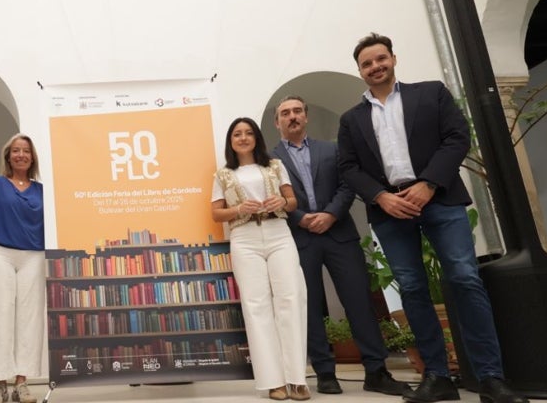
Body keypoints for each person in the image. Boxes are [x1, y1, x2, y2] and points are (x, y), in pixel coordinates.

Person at [337, 32, 528, 403]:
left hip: (439, 198)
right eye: (366, 63)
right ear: (360, 71)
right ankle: (437, 377)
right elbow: (348, 167)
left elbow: (457, 137)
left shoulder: (431, 93)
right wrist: (380, 197)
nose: (375, 67)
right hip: (390, 210)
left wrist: (428, 184)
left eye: (380, 59)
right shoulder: (351, 119)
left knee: (465, 278)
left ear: (393, 58)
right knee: (411, 289)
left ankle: (490, 378)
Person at [271, 95, 410, 396]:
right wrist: (301, 217)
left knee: (359, 301)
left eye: (297, 111)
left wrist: (331, 214)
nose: (292, 116)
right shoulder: (269, 162)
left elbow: (348, 184)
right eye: (285, 113)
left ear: (306, 116)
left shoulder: (331, 150)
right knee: (309, 307)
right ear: (277, 121)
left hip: (340, 235)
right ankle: (324, 372)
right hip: (298, 239)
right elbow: (274, 198)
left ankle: (376, 371)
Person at [210, 117, 309, 401]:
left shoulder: (275, 166)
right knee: (256, 307)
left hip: (278, 232)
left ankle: (297, 379)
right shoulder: (222, 175)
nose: (243, 138)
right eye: (237, 134)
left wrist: (283, 202)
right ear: (231, 140)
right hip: (245, 239)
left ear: (256, 138)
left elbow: (291, 202)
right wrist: (239, 208)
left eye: (248, 133)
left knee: (291, 299)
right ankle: (273, 381)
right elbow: (217, 214)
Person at [0, 134, 45, 403]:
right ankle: (0, 383)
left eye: (26, 151)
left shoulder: (41, 191)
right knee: (0, 316)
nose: (21, 155)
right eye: (16, 150)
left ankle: (22, 384)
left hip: (34, 257)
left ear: (32, 157)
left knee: (29, 319)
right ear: (8, 156)